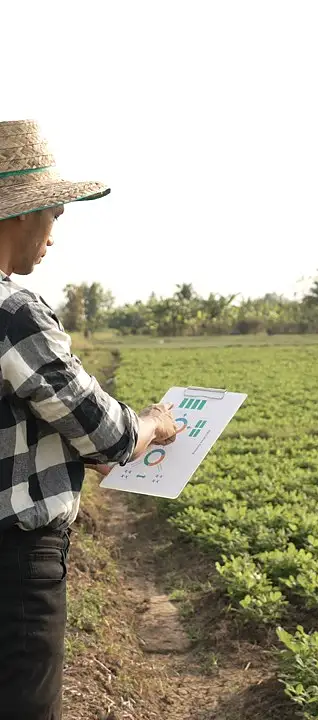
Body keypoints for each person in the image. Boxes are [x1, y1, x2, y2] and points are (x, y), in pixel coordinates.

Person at [0, 120, 177, 720]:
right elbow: (108, 432)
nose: (53, 236)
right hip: (15, 565)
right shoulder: (14, 313)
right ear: (23, 215)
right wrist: (153, 423)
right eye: (54, 216)